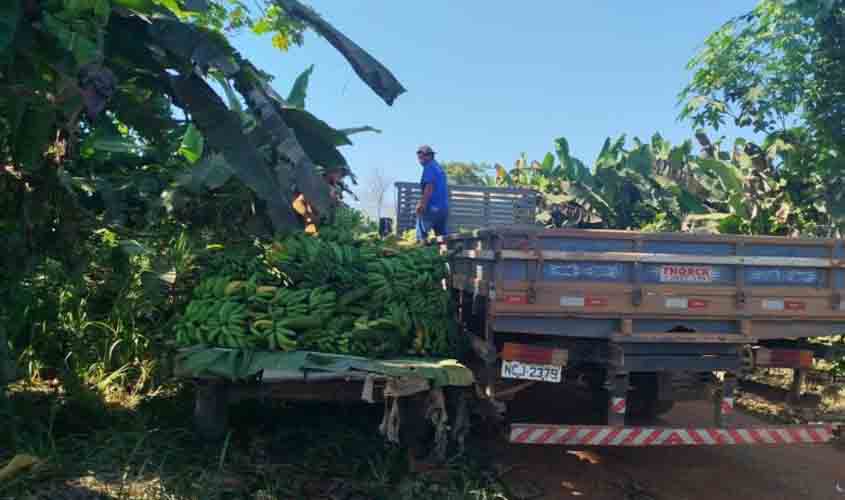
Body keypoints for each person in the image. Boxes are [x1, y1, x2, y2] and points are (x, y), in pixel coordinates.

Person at [415, 145, 449, 241]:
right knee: (442, 239)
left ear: (427, 156)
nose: (420, 160)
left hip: (431, 208)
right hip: (443, 209)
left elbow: (429, 187)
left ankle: (420, 252)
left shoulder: (429, 167)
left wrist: (422, 205)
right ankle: (444, 255)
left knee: (421, 235)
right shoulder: (439, 168)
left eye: (420, 158)